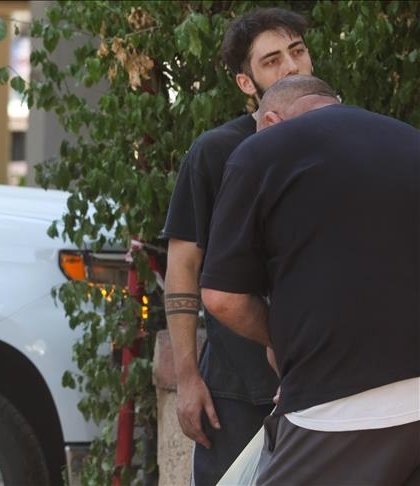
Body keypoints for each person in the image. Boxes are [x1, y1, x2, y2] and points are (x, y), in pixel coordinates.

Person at [201, 75, 420, 484]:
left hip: (334, 407)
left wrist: (281, 343)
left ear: (270, 121)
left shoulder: (262, 150)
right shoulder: (411, 140)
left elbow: (221, 297)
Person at [160, 8, 312, 485]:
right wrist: (187, 377)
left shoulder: (345, 140)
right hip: (235, 390)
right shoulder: (216, 152)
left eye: (297, 51)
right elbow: (183, 266)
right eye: (272, 60)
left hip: (325, 383)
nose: (291, 66)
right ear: (247, 83)